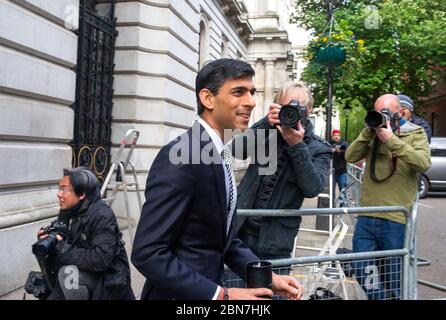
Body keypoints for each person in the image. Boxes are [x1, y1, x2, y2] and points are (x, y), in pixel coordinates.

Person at [131, 58, 303, 300]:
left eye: (251, 92)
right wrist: (222, 295)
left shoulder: (217, 153)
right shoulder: (181, 156)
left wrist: (270, 279)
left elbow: (224, 240)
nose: (251, 102)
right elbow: (148, 252)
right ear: (208, 98)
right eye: (238, 92)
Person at [234, 81, 332, 264]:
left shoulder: (319, 148)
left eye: (299, 108)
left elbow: (313, 188)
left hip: (276, 241)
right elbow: (237, 151)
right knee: (236, 290)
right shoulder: (267, 132)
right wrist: (265, 122)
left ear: (309, 110)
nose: (292, 113)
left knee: (272, 290)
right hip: (239, 231)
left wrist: (297, 146)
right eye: (286, 107)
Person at [345, 94, 431, 299]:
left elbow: (423, 163)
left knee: (393, 278)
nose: (382, 117)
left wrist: (392, 141)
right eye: (378, 112)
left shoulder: (415, 133)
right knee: (362, 269)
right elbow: (350, 156)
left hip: (395, 219)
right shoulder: (371, 134)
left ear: (400, 113)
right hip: (366, 215)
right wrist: (369, 131)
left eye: (386, 113)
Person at [40, 167, 135, 300]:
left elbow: (102, 259)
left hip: (109, 280)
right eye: (59, 188)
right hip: (86, 272)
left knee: (68, 274)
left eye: (64, 189)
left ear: (82, 194)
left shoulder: (101, 215)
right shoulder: (70, 211)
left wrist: (62, 249)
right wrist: (50, 239)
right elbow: (66, 241)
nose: (59, 194)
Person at [331, 129, 349, 199]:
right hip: (332, 172)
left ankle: (343, 208)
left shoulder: (344, 144)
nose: (336, 137)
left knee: (343, 191)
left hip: (342, 172)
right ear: (332, 136)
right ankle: (332, 207)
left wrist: (341, 151)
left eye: (338, 135)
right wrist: (331, 151)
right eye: (335, 135)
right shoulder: (329, 144)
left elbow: (348, 155)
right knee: (331, 191)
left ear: (340, 136)